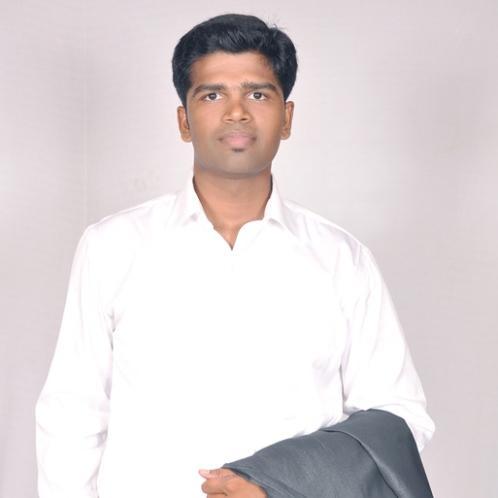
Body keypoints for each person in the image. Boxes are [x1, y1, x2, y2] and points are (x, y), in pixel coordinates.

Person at [35, 13, 435, 498]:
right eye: (212, 95)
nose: (237, 112)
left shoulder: (342, 260)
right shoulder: (112, 247)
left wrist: (278, 481)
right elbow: (73, 415)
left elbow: (399, 419)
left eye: (258, 94)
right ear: (184, 121)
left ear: (286, 118)